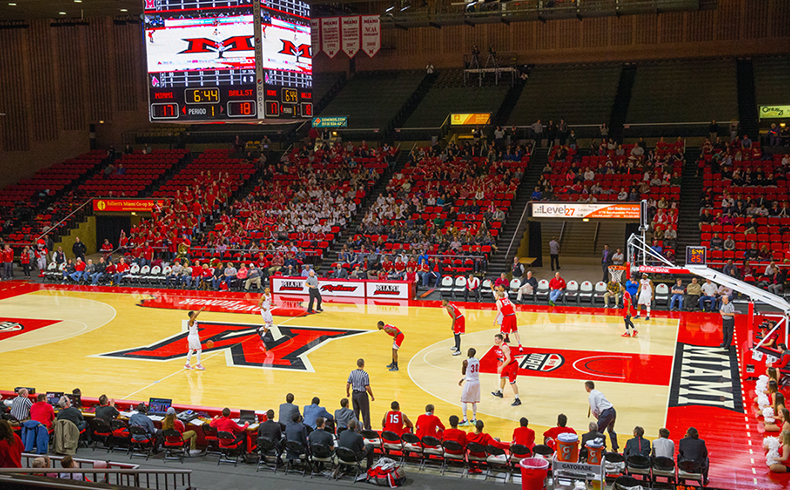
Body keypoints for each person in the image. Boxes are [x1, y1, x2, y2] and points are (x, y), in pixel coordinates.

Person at [585, 381, 619, 452]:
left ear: (587, 388)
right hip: (612, 411)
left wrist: (598, 417)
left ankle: (602, 450)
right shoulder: (599, 392)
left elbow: (593, 410)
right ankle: (615, 448)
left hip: (606, 413)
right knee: (610, 430)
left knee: (598, 432)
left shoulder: (591, 396)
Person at [491, 333, 521, 406]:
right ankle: (500, 392)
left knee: (512, 382)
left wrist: (501, 366)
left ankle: (517, 399)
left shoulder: (504, 347)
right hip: (508, 365)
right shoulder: (501, 345)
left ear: (500, 340)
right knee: (502, 377)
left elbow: (509, 359)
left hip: (512, 365)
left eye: (496, 339)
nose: (495, 340)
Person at [347, 358, 374, 430]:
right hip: (362, 394)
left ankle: (356, 429)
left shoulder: (352, 373)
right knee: (365, 413)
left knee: (356, 413)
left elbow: (348, 384)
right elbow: (367, 387)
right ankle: (367, 429)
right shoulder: (365, 374)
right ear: (363, 365)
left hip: (354, 394)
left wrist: (348, 393)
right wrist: (372, 395)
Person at [459, 347, 480, 426]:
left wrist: (463, 367)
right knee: (473, 401)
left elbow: (463, 372)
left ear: (469, 353)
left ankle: (465, 420)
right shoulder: (478, 360)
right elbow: (472, 373)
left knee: (464, 400)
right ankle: (474, 419)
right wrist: (463, 379)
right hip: (476, 382)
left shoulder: (465, 362)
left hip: (470, 382)